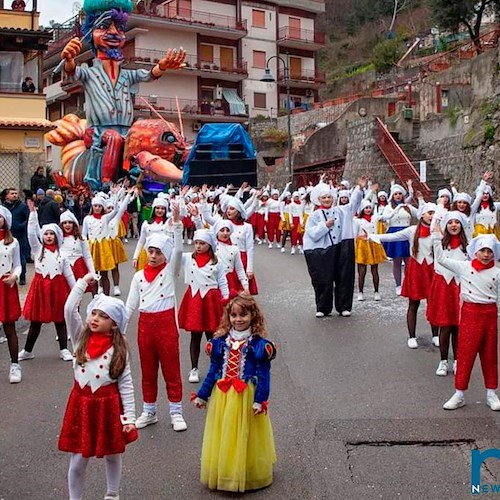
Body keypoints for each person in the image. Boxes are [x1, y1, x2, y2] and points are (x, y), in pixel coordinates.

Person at [58, 274, 137, 500]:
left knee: (112, 453)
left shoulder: (119, 350)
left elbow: (126, 385)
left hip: (108, 407)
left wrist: (129, 418)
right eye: (94, 313)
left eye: (103, 317)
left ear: (114, 325)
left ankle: (112, 493)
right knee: (78, 458)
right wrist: (84, 282)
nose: (95, 319)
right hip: (81, 404)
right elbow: (68, 309)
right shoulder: (79, 337)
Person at [192, 294, 277, 492]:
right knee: (225, 433)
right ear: (228, 316)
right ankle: (227, 471)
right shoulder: (220, 342)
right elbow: (213, 371)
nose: (238, 319)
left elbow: (264, 375)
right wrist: (202, 395)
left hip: (245, 394)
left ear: (253, 316)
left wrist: (260, 400)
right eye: (234, 315)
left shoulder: (258, 345)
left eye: (243, 315)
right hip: (223, 396)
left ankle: (248, 472)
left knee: (245, 433)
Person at [126, 208, 187, 431]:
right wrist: (120, 328)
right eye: (150, 251)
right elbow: (130, 305)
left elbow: (178, 250)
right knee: (147, 370)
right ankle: (149, 410)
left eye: (158, 252)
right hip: (145, 327)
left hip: (166, 326)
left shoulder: (171, 271)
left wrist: (178, 226)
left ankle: (176, 412)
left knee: (171, 369)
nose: (153, 256)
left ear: (165, 255)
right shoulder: (138, 276)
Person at [432, 234, 500, 411]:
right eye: (482, 251)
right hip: (470, 313)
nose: (486, 255)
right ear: (475, 252)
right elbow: (440, 259)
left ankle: (491, 393)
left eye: (489, 252)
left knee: (490, 355)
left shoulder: (497, 272)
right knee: (465, 355)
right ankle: (459, 393)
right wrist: (435, 238)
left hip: (490, 314)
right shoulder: (464, 267)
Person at [370, 203, 438, 348]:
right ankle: (412, 336)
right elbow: (393, 236)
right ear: (422, 215)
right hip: (416, 270)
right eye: (429, 213)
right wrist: (371, 236)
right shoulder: (412, 231)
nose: (432, 216)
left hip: (433, 269)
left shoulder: (438, 231)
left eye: (434, 213)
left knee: (434, 303)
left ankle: (436, 334)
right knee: (413, 304)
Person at [18, 201, 76, 362]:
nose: (48, 237)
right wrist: (33, 215)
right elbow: (31, 233)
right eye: (46, 234)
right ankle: (27, 350)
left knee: (60, 320)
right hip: (40, 288)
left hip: (57, 289)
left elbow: (69, 275)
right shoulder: (37, 250)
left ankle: (64, 349)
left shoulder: (62, 255)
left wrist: (76, 290)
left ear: (57, 236)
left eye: (51, 234)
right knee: (35, 322)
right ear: (42, 236)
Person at [178, 229, 229, 384]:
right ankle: (194, 368)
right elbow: (175, 250)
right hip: (194, 299)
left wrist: (226, 299)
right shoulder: (187, 258)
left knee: (213, 336)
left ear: (210, 244)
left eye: (202, 243)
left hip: (211, 300)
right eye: (196, 243)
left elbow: (222, 281)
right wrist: (175, 226)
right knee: (195, 336)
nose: (198, 246)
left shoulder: (217, 261)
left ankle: (217, 367)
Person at [426, 211, 468, 376]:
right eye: (450, 222)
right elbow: (439, 258)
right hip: (443, 285)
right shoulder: (439, 243)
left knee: (458, 326)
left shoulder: (468, 246)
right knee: (445, 326)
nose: (453, 225)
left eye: (456, 222)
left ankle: (457, 360)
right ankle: (443, 361)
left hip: (460, 286)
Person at [0, 206, 23, 383]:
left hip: (5, 285)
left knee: (9, 327)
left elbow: (18, 264)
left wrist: (15, 276)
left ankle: (15, 365)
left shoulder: (12, 241)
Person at [82, 195, 117, 295]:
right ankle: (95, 297)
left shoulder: (105, 218)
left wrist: (117, 195)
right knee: (93, 274)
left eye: (99, 206)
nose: (97, 208)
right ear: (92, 207)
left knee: (104, 274)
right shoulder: (87, 219)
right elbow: (84, 234)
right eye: (95, 206)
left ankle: (106, 297)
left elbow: (116, 211)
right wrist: (84, 245)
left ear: (102, 208)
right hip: (91, 247)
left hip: (102, 248)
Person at [354, 200, 386, 301]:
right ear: (362, 209)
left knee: (375, 270)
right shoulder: (357, 221)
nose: (368, 210)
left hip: (373, 243)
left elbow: (388, 216)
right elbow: (355, 234)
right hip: (362, 245)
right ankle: (360, 292)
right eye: (366, 208)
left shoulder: (375, 218)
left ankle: (376, 291)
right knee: (361, 270)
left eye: (369, 208)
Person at [59, 210, 96, 291]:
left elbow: (87, 256)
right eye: (65, 223)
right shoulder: (58, 239)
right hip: (63, 268)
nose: (67, 225)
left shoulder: (81, 238)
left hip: (78, 267)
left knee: (78, 293)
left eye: (70, 222)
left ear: (74, 224)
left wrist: (92, 273)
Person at [2, 188, 29, 285]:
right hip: (7, 234)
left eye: (16, 193)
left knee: (21, 257)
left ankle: (22, 276)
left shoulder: (22, 206)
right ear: (6, 196)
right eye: (12, 193)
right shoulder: (3, 207)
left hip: (20, 235)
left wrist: (21, 226)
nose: (14, 195)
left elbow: (28, 218)